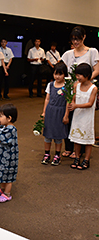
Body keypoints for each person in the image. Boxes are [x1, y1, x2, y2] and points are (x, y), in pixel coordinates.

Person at [61, 26, 99, 159]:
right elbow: (62, 70)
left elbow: (96, 70)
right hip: (71, 89)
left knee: (83, 118)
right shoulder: (67, 54)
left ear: (84, 37)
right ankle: (70, 148)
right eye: (73, 39)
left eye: (77, 39)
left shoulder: (92, 52)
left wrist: (85, 81)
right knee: (69, 117)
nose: (75, 42)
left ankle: (81, 149)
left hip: (86, 89)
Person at [68, 63, 97, 170]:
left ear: (87, 75)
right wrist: (72, 103)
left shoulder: (93, 88)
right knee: (77, 138)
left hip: (87, 117)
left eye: (80, 75)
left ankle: (86, 159)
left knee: (87, 139)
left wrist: (76, 106)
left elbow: (90, 104)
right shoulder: (76, 85)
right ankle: (77, 157)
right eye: (77, 75)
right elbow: (73, 98)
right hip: (77, 116)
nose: (77, 77)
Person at [40, 62, 69, 166]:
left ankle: (57, 155)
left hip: (60, 112)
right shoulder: (50, 84)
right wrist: (44, 112)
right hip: (50, 111)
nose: (57, 76)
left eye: (60, 74)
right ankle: (47, 154)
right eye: (55, 74)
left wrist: (66, 115)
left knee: (58, 135)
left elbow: (68, 102)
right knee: (47, 135)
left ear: (65, 74)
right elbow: (47, 99)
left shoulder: (67, 85)